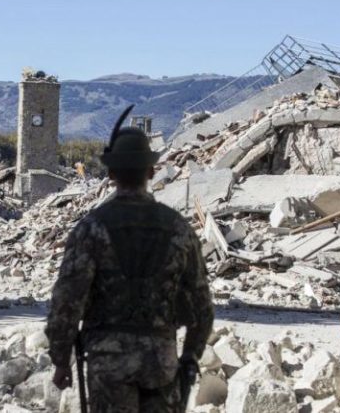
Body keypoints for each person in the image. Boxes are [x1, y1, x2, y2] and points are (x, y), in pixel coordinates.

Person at [45, 107, 214, 412]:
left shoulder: (91, 228)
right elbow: (202, 307)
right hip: (161, 363)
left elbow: (67, 301)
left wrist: (60, 360)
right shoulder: (178, 228)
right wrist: (190, 358)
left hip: (108, 366)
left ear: (111, 174)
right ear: (151, 172)